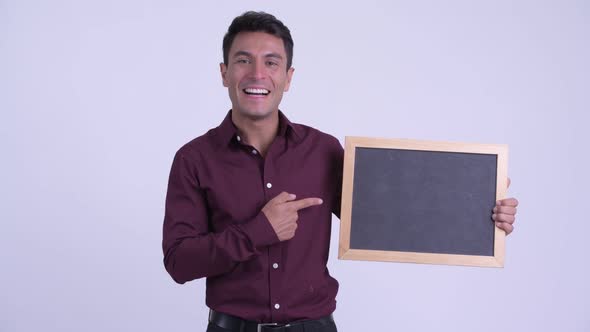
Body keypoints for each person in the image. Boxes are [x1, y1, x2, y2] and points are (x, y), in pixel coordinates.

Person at [162, 11, 519, 332]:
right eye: (243, 60)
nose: (258, 74)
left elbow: (391, 216)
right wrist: (259, 231)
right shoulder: (194, 160)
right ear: (224, 73)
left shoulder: (323, 151)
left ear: (288, 78)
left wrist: (479, 206)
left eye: (272, 63)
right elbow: (179, 262)